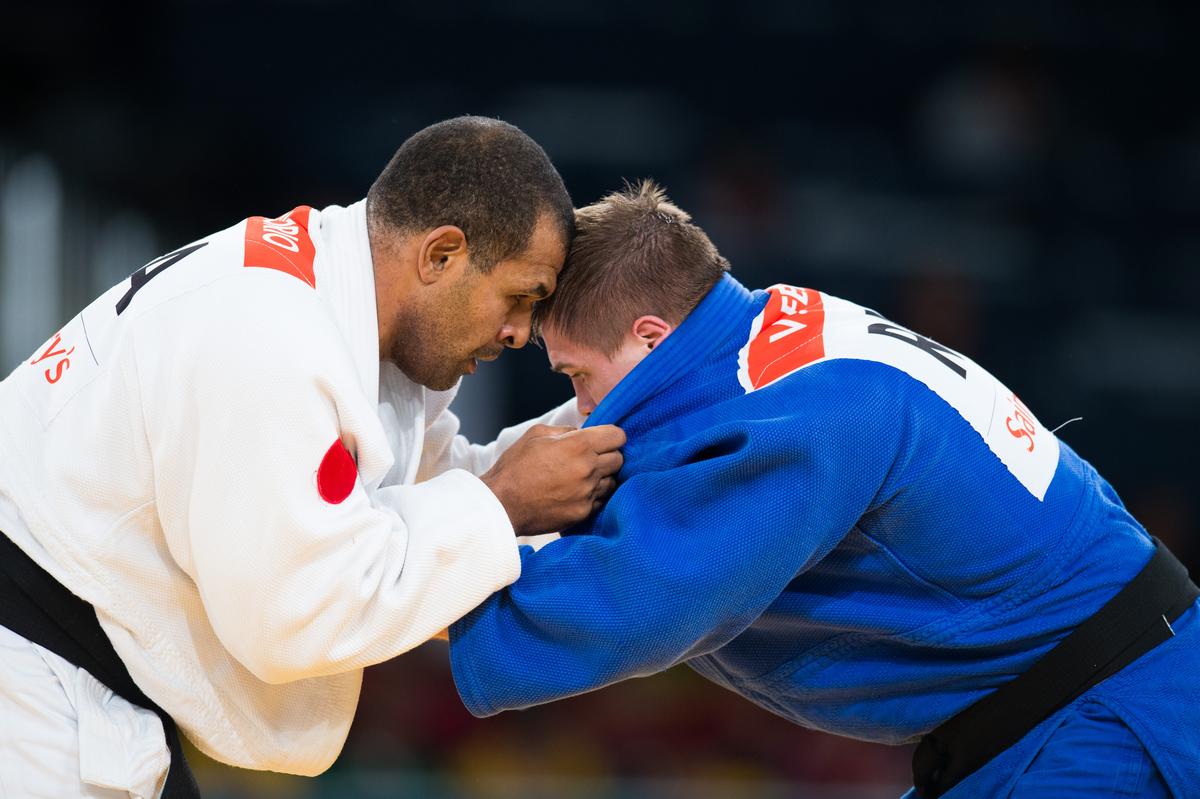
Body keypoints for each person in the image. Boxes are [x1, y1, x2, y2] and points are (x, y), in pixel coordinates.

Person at [445, 181, 1200, 798]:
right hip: (1045, 715)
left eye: (578, 377)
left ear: (649, 336)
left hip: (1118, 711)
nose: (582, 410)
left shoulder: (810, 411)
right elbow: (609, 474)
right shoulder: (754, 344)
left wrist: (394, 587)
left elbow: (632, 601)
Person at [0, 116, 624, 798]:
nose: (520, 332)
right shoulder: (272, 334)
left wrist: (609, 411)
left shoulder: (341, 303)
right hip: (31, 685)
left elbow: (434, 498)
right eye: (521, 297)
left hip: (70, 674)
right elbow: (298, 614)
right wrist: (504, 502)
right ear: (440, 255)